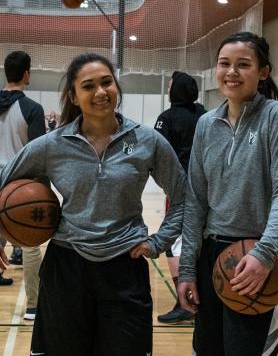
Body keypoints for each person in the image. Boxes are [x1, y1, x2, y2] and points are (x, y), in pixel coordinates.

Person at [0, 53, 186, 356]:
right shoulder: (52, 144)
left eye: (106, 82)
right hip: (66, 268)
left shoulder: (147, 141)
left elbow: (182, 197)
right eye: (88, 86)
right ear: (74, 95)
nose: (100, 92)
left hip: (125, 268)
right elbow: (4, 180)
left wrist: (158, 242)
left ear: (116, 86)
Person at [178, 31, 278, 356]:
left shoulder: (273, 118)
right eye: (224, 64)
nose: (232, 72)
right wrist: (189, 270)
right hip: (211, 256)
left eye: (243, 64)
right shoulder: (206, 124)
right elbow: (195, 200)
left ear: (263, 72)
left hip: (255, 258)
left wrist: (265, 255)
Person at [154, 71, 206, 323]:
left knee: (175, 245)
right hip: (207, 191)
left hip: (180, 191)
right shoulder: (205, 115)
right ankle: (200, 296)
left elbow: (158, 157)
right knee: (199, 243)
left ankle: (185, 304)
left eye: (171, 85)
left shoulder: (166, 118)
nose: (168, 88)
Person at [0, 51, 45, 319]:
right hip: (18, 182)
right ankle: (33, 305)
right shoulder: (32, 109)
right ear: (26, 73)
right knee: (29, 242)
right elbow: (39, 154)